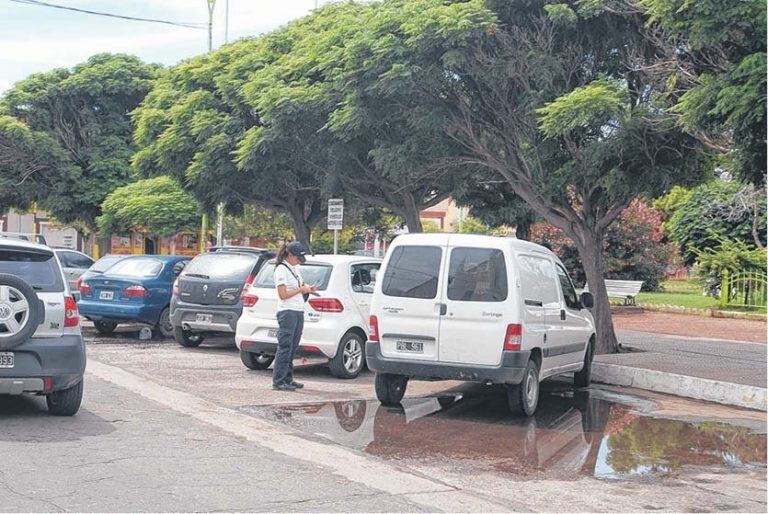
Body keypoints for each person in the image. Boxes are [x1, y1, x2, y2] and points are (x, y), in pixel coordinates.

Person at [272, 241, 317, 391]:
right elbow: (283, 294)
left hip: (298, 310)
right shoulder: (281, 270)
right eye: (297, 258)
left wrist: (309, 289)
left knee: (292, 347)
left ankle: (288, 378)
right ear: (290, 255)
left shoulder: (294, 269)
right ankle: (279, 381)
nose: (299, 261)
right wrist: (300, 290)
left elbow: (301, 286)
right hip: (287, 311)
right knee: (285, 346)